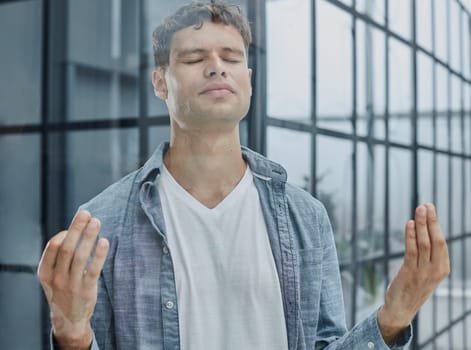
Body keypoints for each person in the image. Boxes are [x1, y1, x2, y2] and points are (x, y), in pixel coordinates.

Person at [37, 1, 450, 349]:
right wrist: (71, 335)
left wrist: (394, 317)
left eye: (231, 58)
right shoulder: (103, 223)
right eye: (195, 58)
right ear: (160, 82)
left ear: (248, 81)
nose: (217, 68)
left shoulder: (305, 216)